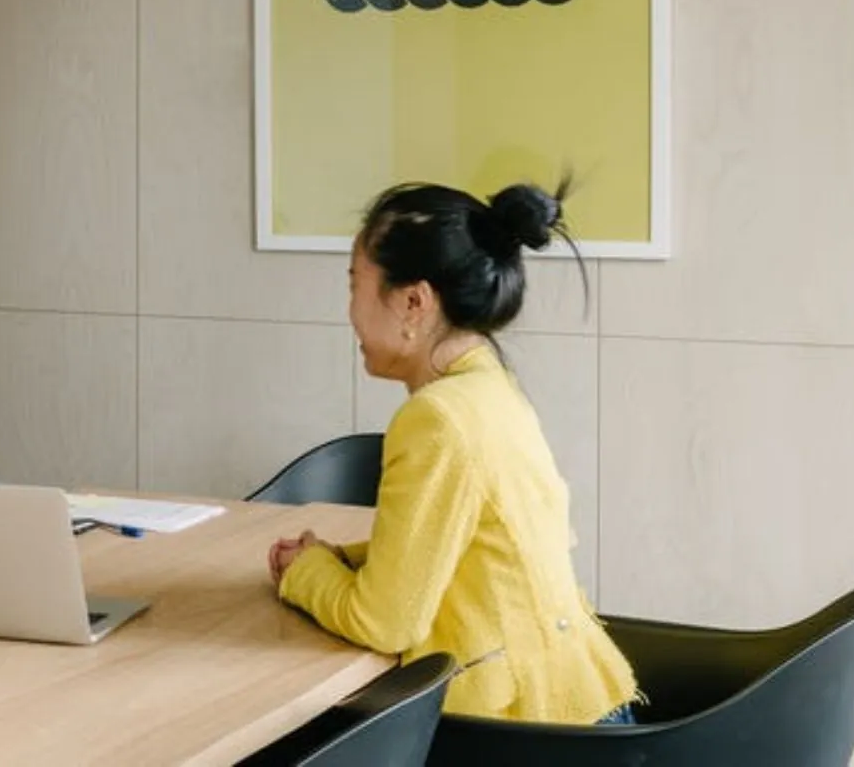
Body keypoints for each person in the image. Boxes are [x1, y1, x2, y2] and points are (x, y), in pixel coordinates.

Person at [268, 180, 637, 725]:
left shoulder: (435, 419)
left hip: (520, 735)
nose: (350, 311)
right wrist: (339, 559)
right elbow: (464, 546)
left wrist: (302, 575)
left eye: (356, 285)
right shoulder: (489, 384)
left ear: (414, 300)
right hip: (576, 708)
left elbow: (385, 622)